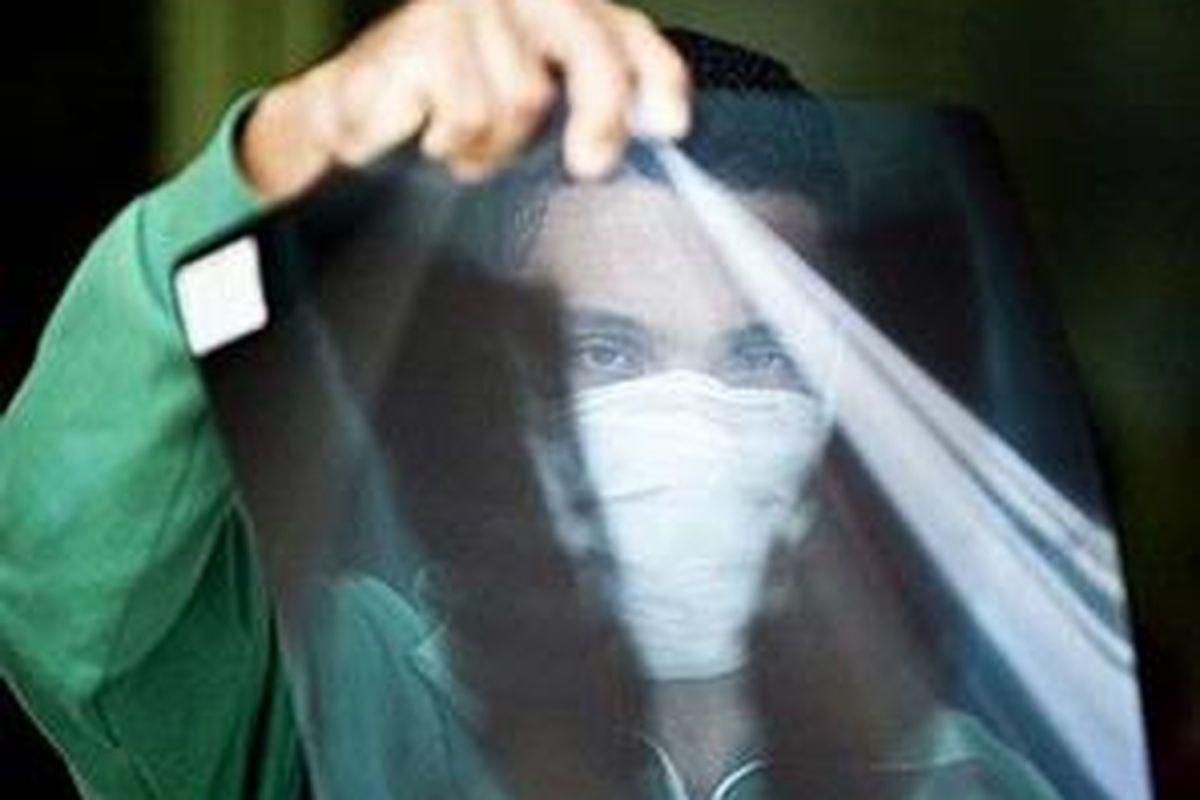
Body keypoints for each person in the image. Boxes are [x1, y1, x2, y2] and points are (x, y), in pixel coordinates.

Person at [0, 1, 1063, 798]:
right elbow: (64, 574)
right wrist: (289, 148)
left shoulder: (970, 784)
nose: (689, 422)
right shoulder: (336, 699)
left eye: (758, 355)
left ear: (833, 389)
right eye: (607, 348)